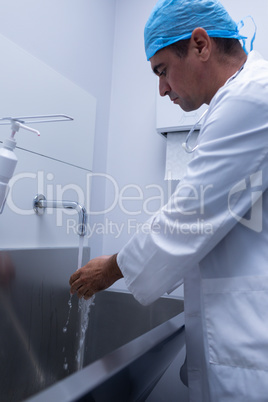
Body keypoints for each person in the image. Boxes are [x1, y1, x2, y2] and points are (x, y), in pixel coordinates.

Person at [70, 0, 268, 400]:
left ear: (199, 45)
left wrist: (113, 268)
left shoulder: (253, 97)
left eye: (162, 70)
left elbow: (189, 216)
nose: (161, 89)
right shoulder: (238, 101)